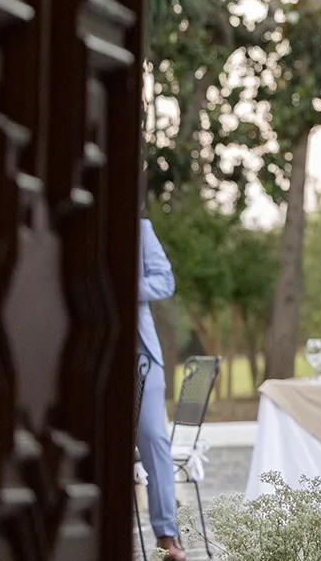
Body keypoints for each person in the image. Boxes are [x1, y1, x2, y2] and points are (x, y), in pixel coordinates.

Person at [136, 220, 186, 561]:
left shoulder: (141, 229)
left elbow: (164, 281)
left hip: (141, 357)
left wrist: (127, 284)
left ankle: (166, 536)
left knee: (155, 439)